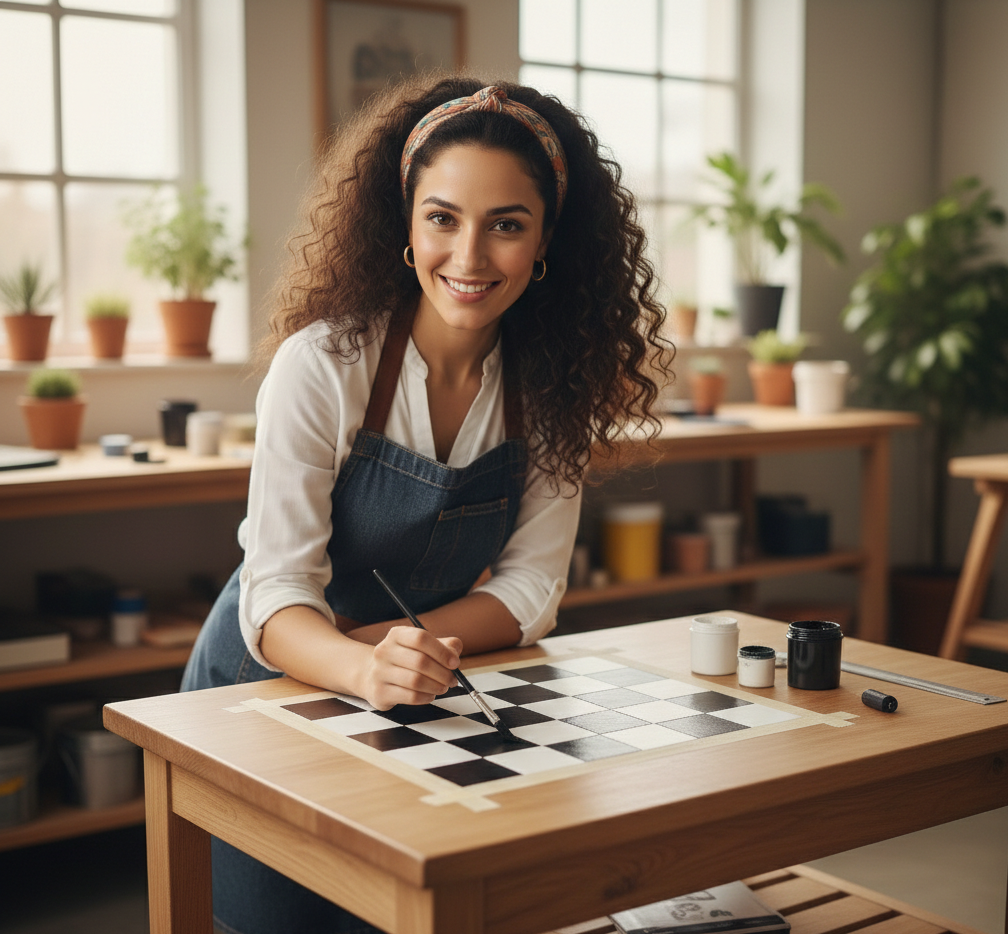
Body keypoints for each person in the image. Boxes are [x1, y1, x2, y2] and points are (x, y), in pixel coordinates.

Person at [181, 73, 671, 934]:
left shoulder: (552, 387)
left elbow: (530, 591)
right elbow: (278, 595)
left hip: (414, 687)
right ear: (404, 227)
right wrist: (362, 663)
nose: (470, 258)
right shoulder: (323, 364)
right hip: (266, 686)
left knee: (404, 915)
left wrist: (411, 652)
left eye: (507, 225)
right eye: (443, 217)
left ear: (547, 239)